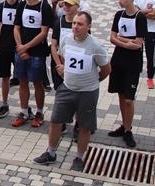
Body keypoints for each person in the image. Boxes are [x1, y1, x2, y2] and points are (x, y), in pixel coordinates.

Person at [33, 11, 110, 171]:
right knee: (55, 121)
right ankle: (51, 152)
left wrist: (94, 81)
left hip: (87, 92)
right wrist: (64, 69)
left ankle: (80, 157)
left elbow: (106, 69)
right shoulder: (66, 39)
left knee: (84, 126)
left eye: (80, 24)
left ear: (88, 27)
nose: (75, 27)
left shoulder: (96, 46)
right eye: (74, 23)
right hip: (67, 88)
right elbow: (62, 56)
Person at [107, 0, 148, 148]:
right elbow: (112, 37)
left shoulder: (140, 17)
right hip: (118, 59)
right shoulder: (119, 15)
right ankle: (124, 125)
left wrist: (121, 40)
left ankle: (129, 129)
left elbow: (137, 44)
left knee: (129, 98)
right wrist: (125, 41)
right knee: (120, 94)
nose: (120, 2)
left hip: (133, 62)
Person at [12, 0, 54, 129]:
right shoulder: (22, 5)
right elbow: (16, 27)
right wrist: (20, 47)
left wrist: (27, 47)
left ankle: (39, 112)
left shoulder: (44, 6)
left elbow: (44, 32)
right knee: (22, 81)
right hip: (21, 51)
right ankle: (24, 111)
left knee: (37, 83)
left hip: (37, 52)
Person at [0, 0, 21, 118]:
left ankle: (25, 107)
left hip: (18, 47)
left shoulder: (22, 6)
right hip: (4, 46)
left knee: (22, 78)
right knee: (5, 77)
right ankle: (4, 104)